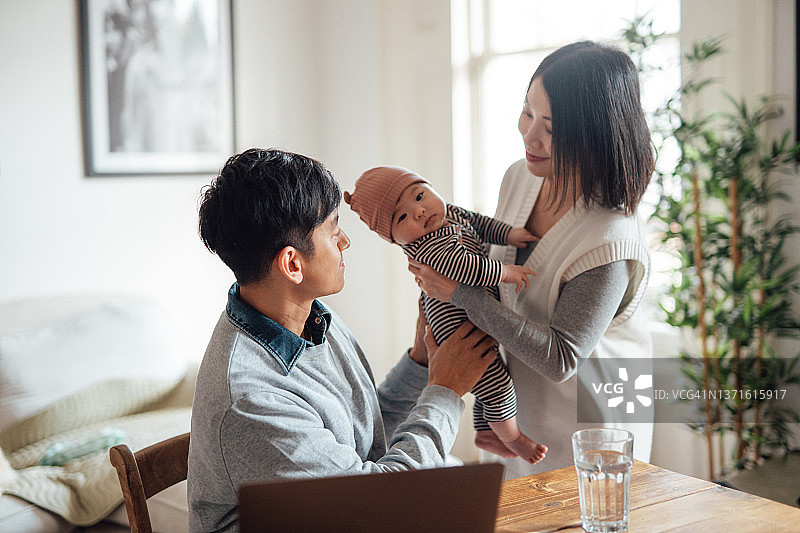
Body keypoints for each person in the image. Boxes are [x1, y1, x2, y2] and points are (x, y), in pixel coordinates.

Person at [188, 148, 497, 532]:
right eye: (334, 230)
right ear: (292, 264)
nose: (346, 241)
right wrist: (445, 393)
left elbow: (360, 440)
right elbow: (380, 507)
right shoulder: (252, 400)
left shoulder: (309, 316)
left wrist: (421, 363)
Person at [409, 41, 655, 479]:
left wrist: (459, 294)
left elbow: (561, 357)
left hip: (591, 435)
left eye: (551, 127)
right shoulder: (520, 177)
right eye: (527, 113)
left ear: (595, 134)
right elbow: (496, 285)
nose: (529, 136)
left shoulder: (609, 237)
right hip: (515, 423)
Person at [344, 165, 548, 464]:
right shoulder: (428, 246)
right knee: (496, 382)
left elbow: (477, 222)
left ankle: (487, 431)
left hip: (472, 317)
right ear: (395, 239)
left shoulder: (447, 214)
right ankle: (513, 437)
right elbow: (464, 266)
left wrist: (508, 234)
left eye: (419, 195)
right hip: (455, 329)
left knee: (489, 375)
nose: (418, 211)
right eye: (401, 217)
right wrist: (505, 272)